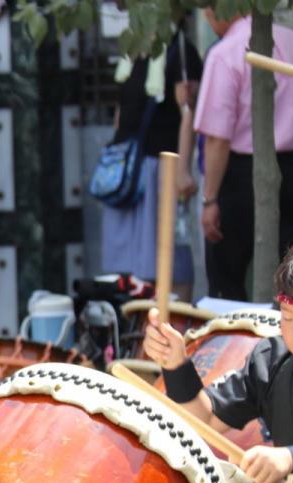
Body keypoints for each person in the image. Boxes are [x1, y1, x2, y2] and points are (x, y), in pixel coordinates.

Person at [146, 241, 293, 483]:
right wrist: (176, 365)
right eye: (288, 318)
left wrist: (291, 457)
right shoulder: (271, 362)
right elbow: (203, 420)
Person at [195, 9, 293, 300]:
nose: (206, 17)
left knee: (226, 280)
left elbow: (217, 139)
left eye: (207, 9)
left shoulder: (225, 54)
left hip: (242, 175)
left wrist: (210, 199)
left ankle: (234, 345)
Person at [99, 24, 201, 301]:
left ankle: (173, 325)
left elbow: (188, 111)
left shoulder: (180, 49)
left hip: (161, 170)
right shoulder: (132, 51)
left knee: (171, 262)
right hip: (129, 173)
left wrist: (182, 170)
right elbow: (122, 111)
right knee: (127, 268)